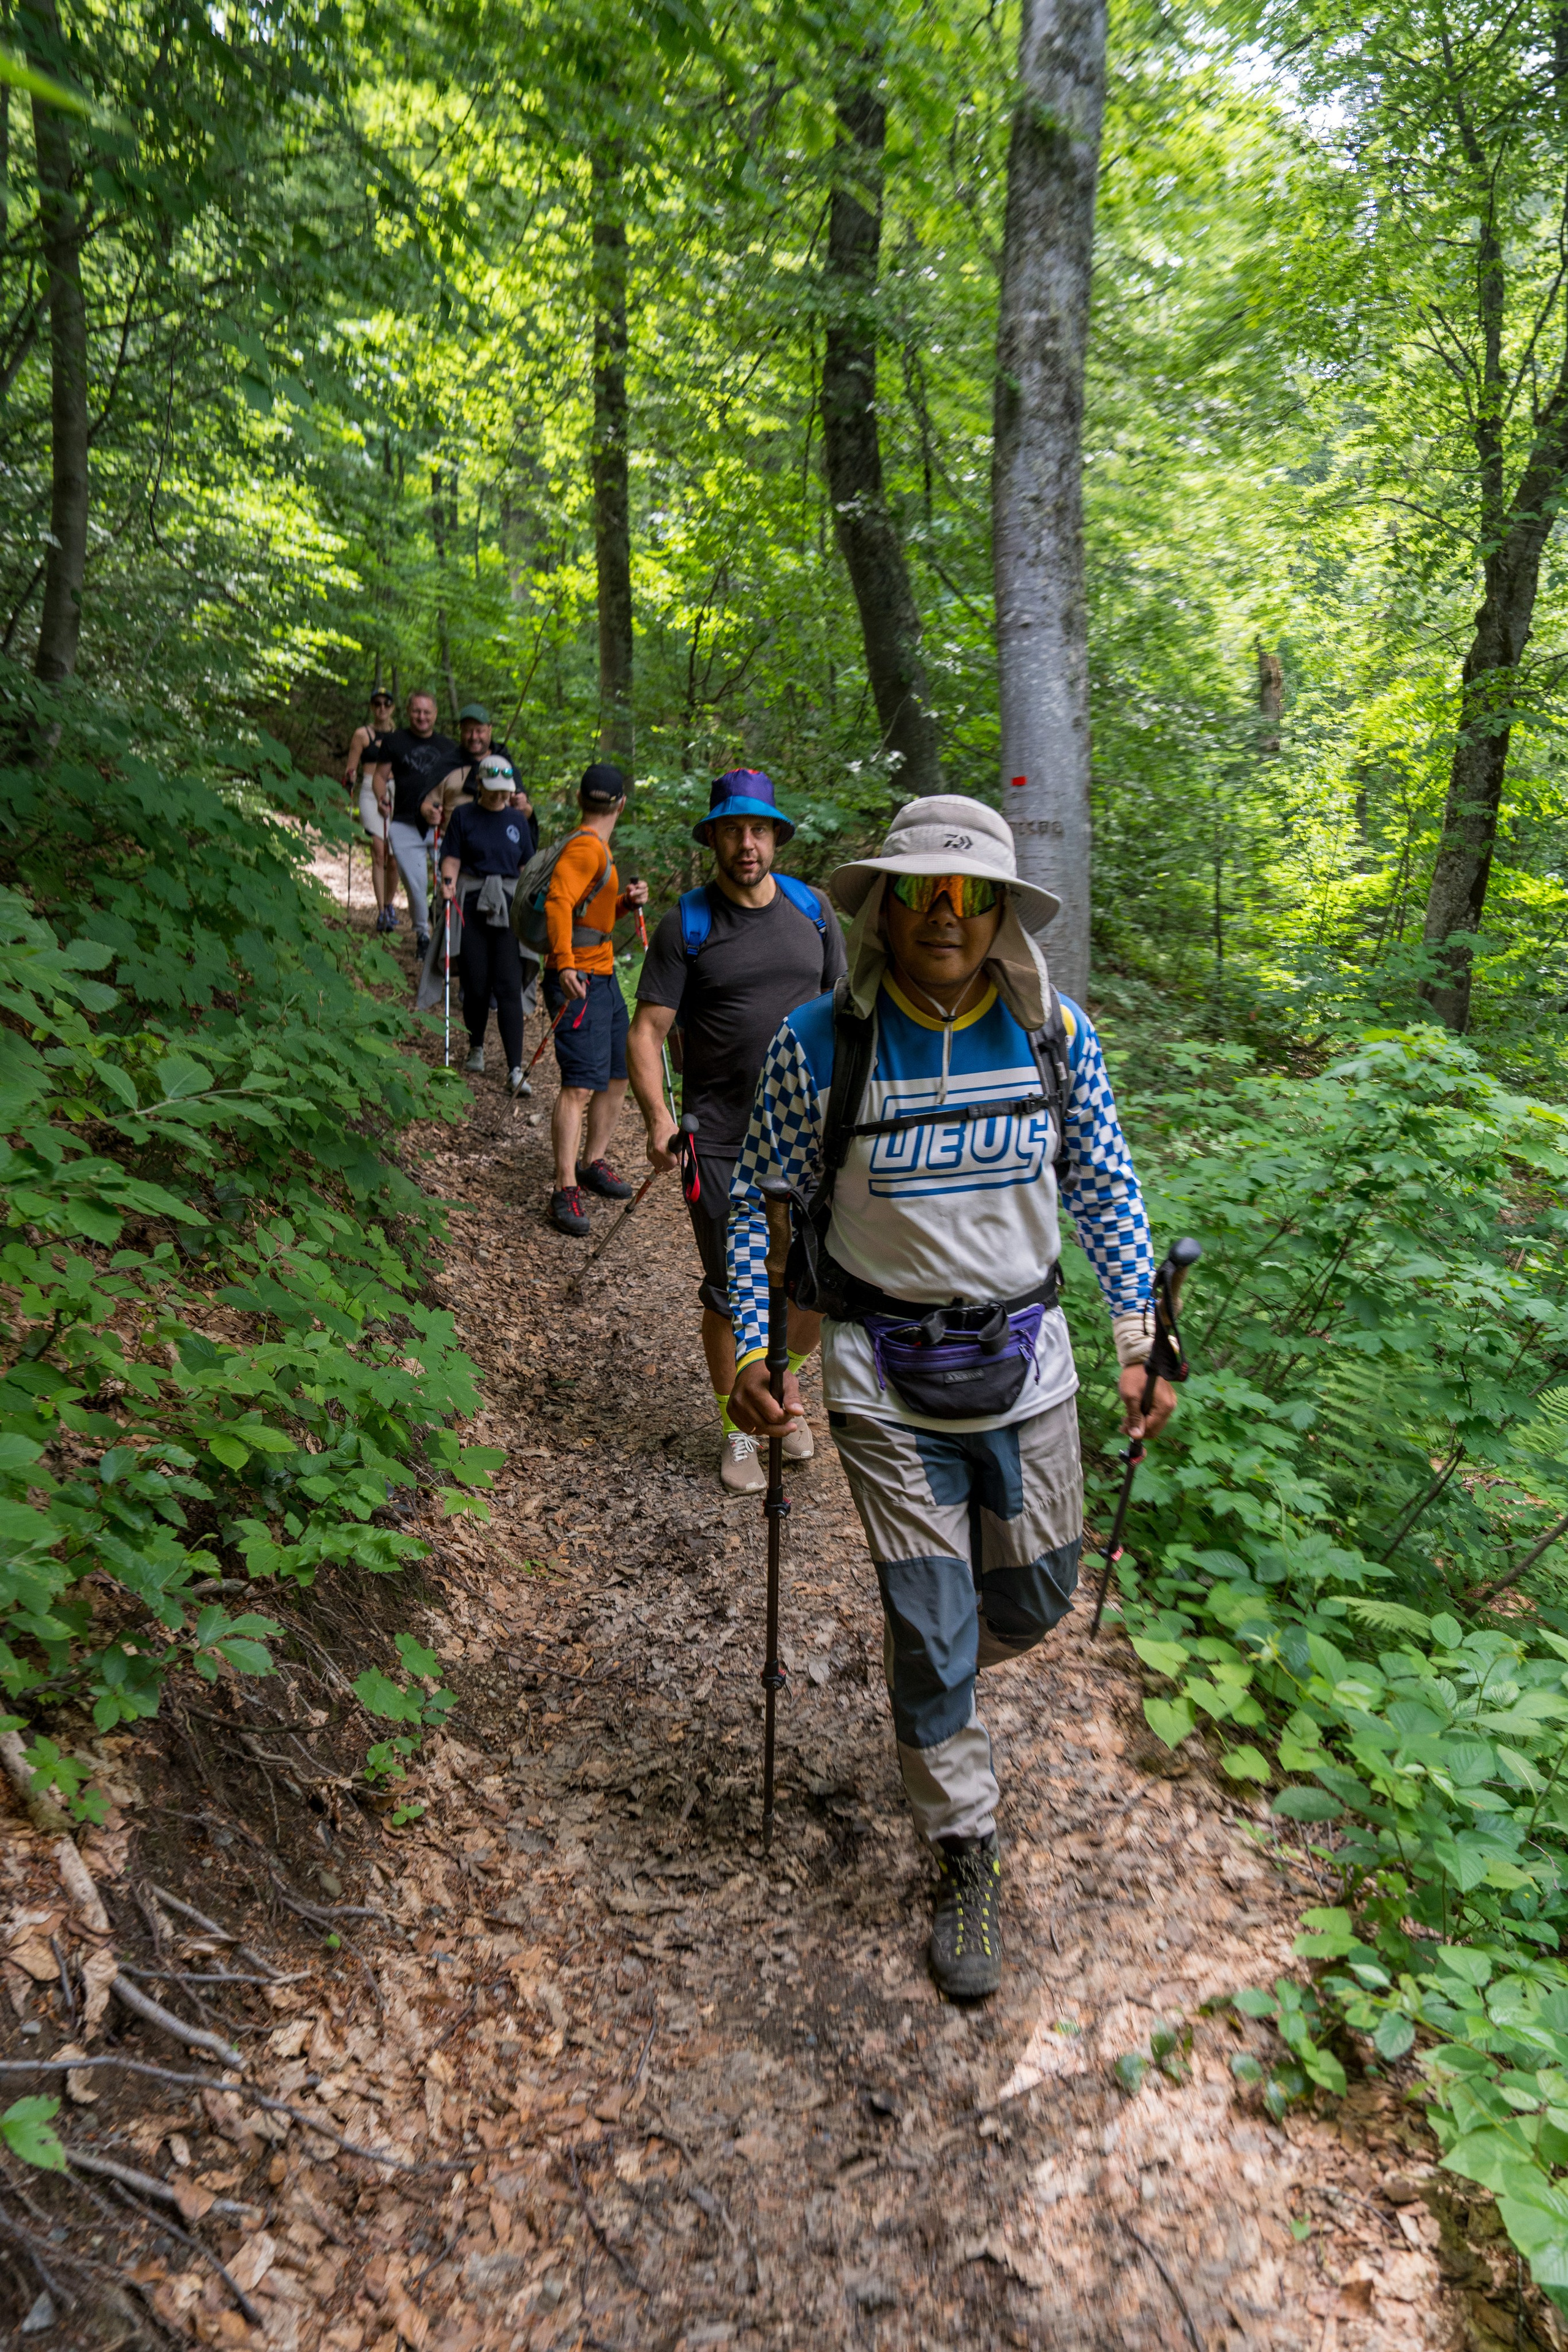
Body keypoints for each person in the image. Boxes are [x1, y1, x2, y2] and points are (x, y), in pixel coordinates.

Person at [726, 794, 1174, 2000]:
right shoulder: (819, 1045)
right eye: (920, 891)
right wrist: (754, 1361)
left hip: (1029, 1366)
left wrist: (1140, 1337)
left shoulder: (1049, 1033)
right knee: (931, 1627)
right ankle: (961, 1846)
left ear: (996, 915)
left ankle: (935, 1678)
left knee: (1030, 1599)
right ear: (883, 906)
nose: (942, 914)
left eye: (967, 895)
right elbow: (763, 1203)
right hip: (879, 1376)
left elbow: (1107, 1185)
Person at [627, 768, 846, 1493]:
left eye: (757, 830)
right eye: (731, 831)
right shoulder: (686, 924)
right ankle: (738, 1429)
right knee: (734, 1288)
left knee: (813, 1286)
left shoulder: (814, 913)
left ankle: (780, 1388)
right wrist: (660, 1118)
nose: (745, 844)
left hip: (811, 1139)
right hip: (718, 1139)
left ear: (776, 837)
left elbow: (849, 1015)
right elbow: (647, 1032)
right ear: (714, 838)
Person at [542, 764, 649, 1236]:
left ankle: (593, 1162)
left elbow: (587, 912)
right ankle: (565, 1188)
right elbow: (557, 902)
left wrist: (624, 903)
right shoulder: (585, 847)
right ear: (621, 804)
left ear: (581, 799)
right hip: (578, 979)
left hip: (601, 976)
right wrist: (564, 962)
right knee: (580, 1084)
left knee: (616, 1074)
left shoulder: (596, 849)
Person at [437, 755, 533, 1096]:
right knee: (476, 985)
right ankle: (475, 1046)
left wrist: (534, 902)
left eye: (504, 791)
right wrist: (447, 882)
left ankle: (515, 1069)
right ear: (479, 785)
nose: (500, 797)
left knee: (509, 985)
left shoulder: (517, 821)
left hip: (508, 906)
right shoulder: (464, 815)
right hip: (472, 902)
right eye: (493, 790)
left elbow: (526, 866)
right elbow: (452, 855)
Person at [372, 691, 462, 957]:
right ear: (409, 711)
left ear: (435, 714)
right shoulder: (395, 741)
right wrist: (381, 798)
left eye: (427, 712)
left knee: (446, 880)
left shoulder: (449, 748)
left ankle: (446, 932)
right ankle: (423, 934)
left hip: (440, 827)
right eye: (416, 711)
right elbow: (380, 776)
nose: (421, 717)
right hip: (403, 823)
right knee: (415, 883)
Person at [343, 689, 396, 931]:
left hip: (396, 792)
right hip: (368, 789)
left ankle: (390, 904)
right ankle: (382, 911)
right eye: (377, 704)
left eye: (387, 704)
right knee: (379, 848)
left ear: (393, 708)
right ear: (372, 707)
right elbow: (350, 769)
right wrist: (348, 782)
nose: (382, 708)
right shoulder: (362, 735)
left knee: (394, 857)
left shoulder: (400, 736)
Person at [454, 704, 537, 858]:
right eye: (468, 731)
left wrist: (523, 805)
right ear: (461, 731)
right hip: (459, 846)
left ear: (490, 729)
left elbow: (526, 814)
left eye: (479, 731)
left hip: (502, 848)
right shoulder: (448, 762)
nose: (474, 737)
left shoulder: (505, 763)